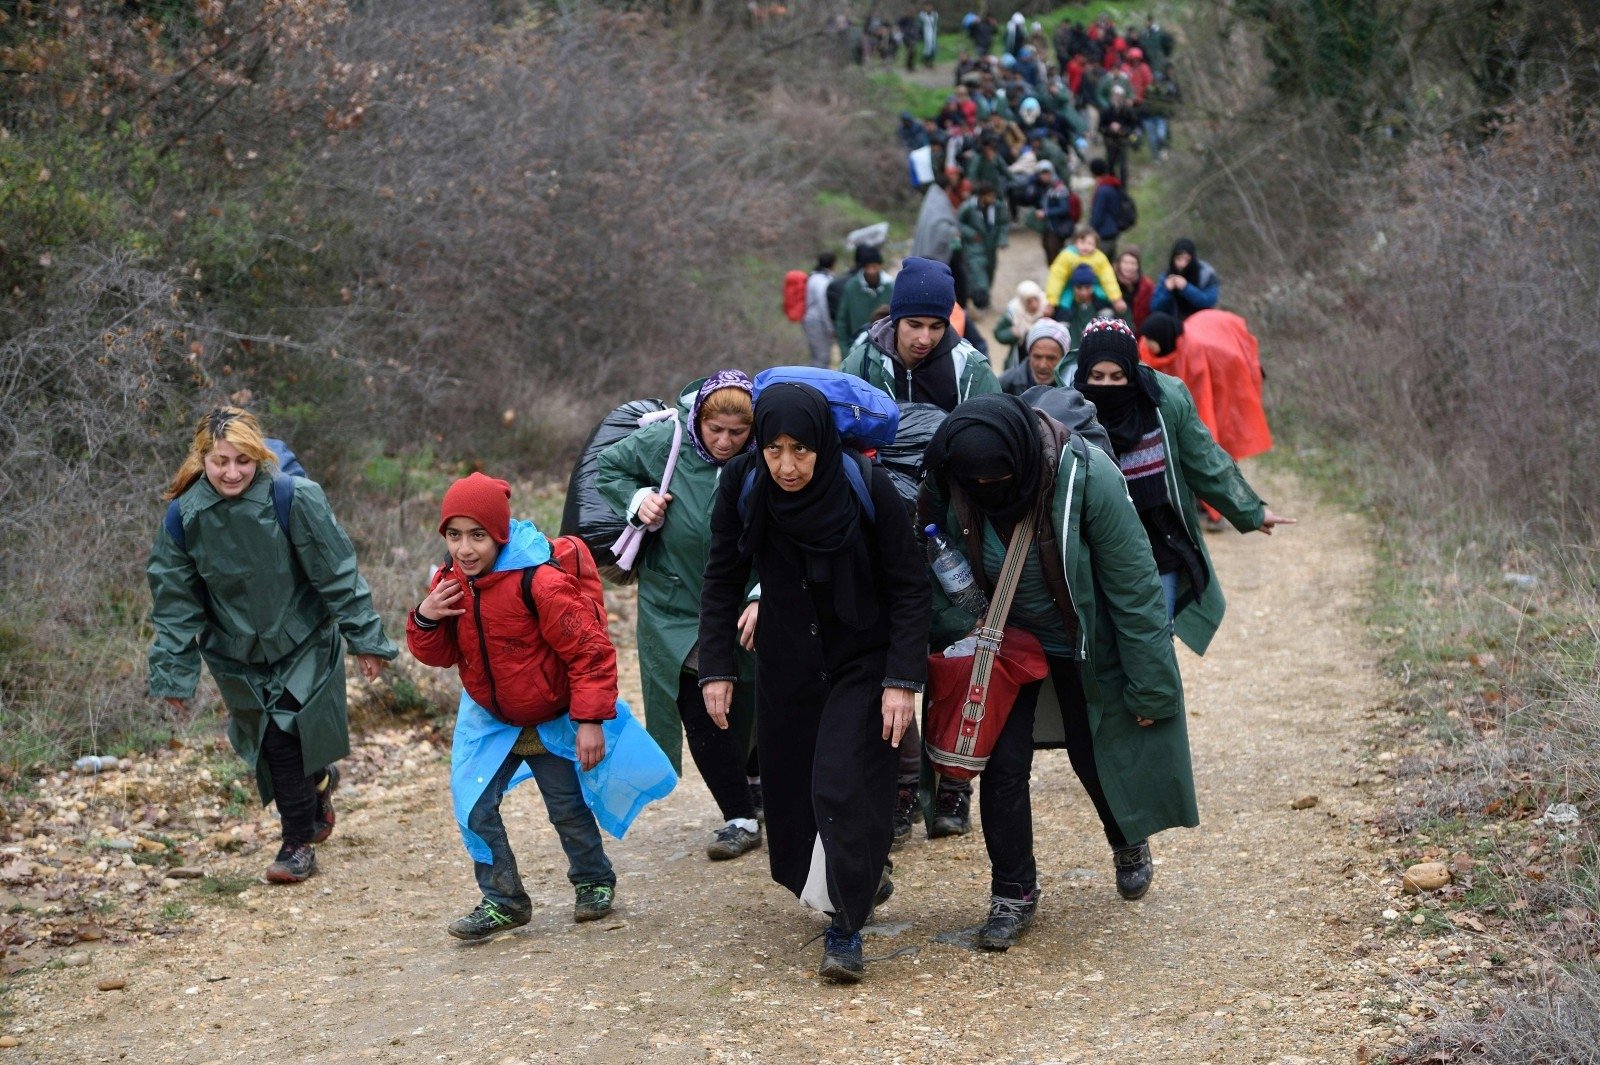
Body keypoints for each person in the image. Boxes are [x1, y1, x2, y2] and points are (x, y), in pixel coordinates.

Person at [919, 393, 1194, 951]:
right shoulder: (950, 478)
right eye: (979, 486)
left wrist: (1152, 688)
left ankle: (1127, 838)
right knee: (1001, 764)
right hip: (1002, 641)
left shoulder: (1088, 480)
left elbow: (1136, 589)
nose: (989, 492)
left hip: (1080, 639)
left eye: (1000, 482)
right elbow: (924, 564)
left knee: (1093, 752)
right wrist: (958, 623)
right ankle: (1013, 892)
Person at [698, 383, 931, 983]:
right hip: (788, 662)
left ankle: (844, 931)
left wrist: (903, 679)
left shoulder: (864, 485)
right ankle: (857, 878)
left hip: (862, 657)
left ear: (821, 444)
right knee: (793, 794)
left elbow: (909, 585)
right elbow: (722, 579)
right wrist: (718, 668)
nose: (786, 465)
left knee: (842, 783)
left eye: (800, 449)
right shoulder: (745, 487)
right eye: (773, 449)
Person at [148, 407, 397, 885]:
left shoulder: (293, 497)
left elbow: (337, 572)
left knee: (284, 737)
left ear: (258, 457)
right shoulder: (183, 517)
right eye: (221, 461)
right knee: (272, 743)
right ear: (203, 459)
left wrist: (366, 640)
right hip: (235, 651)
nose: (232, 472)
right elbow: (175, 604)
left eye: (243, 460)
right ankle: (319, 782)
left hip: (303, 637)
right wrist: (174, 677)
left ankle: (296, 845)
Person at [408, 474, 621, 938]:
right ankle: (503, 900)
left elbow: (590, 652)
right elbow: (440, 655)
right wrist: (426, 617)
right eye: (454, 534)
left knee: (566, 807)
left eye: (478, 535)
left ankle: (593, 881)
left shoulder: (540, 581)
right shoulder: (450, 581)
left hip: (550, 716)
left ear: (500, 534)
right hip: (492, 720)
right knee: (475, 806)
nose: (465, 548)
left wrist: (589, 720)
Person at [596, 373, 763, 861]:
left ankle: (753, 781)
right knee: (697, 701)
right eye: (716, 430)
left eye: (738, 433)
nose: (726, 442)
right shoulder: (666, 440)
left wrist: (761, 591)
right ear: (699, 420)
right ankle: (739, 815)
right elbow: (610, 468)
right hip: (673, 603)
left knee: (747, 697)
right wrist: (638, 500)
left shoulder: (766, 455)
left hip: (742, 599)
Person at [1070, 318, 1294, 638]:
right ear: (1083, 376)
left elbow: (1204, 459)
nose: (1106, 386)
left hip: (1158, 548)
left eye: (1117, 376)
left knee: (1154, 646)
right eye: (1097, 376)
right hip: (1094, 555)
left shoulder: (1164, 401)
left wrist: (1250, 510)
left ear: (1131, 373)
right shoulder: (1066, 412)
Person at [841, 257, 1000, 411]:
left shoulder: (971, 371)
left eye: (936, 327)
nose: (925, 339)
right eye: (914, 325)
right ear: (896, 320)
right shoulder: (862, 365)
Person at [1045, 223, 1125, 314]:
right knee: (1063, 310)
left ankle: (1104, 319)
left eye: (1090, 243)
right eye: (1082, 242)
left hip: (1094, 289)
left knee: (1104, 306)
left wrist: (1116, 298)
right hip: (1070, 290)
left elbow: (1108, 279)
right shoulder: (1066, 256)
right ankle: (1063, 322)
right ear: (1075, 242)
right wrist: (1051, 302)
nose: (1086, 246)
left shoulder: (1099, 258)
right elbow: (1056, 278)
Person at [834, 247, 894, 351]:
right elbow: (842, 322)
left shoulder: (890, 286)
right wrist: (845, 351)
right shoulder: (852, 287)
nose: (871, 271)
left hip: (885, 348)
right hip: (856, 346)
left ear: (880, 266)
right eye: (867, 267)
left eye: (874, 267)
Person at [957, 183, 1006, 309]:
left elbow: (1002, 224)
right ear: (982, 196)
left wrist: (1002, 239)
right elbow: (958, 222)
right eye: (989, 196)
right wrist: (970, 233)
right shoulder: (968, 207)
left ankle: (984, 297)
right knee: (978, 274)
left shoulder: (997, 207)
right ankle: (978, 298)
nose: (992, 199)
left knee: (990, 271)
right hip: (974, 246)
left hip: (990, 246)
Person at [1149, 238, 1220, 320]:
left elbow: (1209, 301)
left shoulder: (1206, 274)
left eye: (1187, 260)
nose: (1182, 264)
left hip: (1202, 322)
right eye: (1179, 259)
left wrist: (1186, 288)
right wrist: (1167, 291)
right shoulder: (1166, 277)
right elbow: (1154, 308)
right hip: (1176, 324)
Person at [999, 318, 1071, 395]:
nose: (1043, 365)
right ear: (1029, 353)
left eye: (1051, 358)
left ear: (1064, 358)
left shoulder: (1073, 389)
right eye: (1037, 357)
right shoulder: (1006, 384)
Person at [1057, 263, 1118, 351]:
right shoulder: (1065, 311)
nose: (1083, 292)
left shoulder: (1102, 306)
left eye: (1087, 287)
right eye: (1079, 287)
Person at [993, 278, 1047, 368]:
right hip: (1021, 358)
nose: (1034, 305)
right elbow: (999, 333)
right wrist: (1012, 333)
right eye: (1029, 301)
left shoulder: (1047, 308)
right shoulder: (1014, 313)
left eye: (1035, 300)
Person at [803, 252, 837, 368]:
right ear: (832, 264)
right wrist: (830, 326)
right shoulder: (821, 281)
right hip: (818, 322)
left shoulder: (814, 277)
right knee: (822, 357)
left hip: (812, 320)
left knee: (817, 357)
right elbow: (823, 304)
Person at [1114, 246, 1155, 330]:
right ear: (1119, 264)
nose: (1128, 267)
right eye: (1125, 262)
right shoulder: (1111, 281)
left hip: (1139, 329)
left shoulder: (1147, 285)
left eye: (1132, 263)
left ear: (1138, 266)